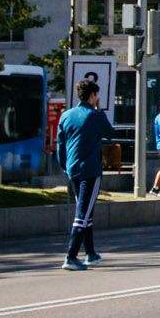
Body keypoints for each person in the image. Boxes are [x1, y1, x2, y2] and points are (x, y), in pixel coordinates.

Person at [56, 78, 113, 270]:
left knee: (86, 212)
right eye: (97, 95)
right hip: (90, 170)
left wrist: (65, 166)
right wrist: (99, 111)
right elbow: (110, 133)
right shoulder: (95, 115)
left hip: (73, 169)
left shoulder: (66, 115)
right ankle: (71, 256)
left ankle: (90, 254)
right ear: (93, 96)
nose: (98, 98)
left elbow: (60, 146)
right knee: (82, 213)